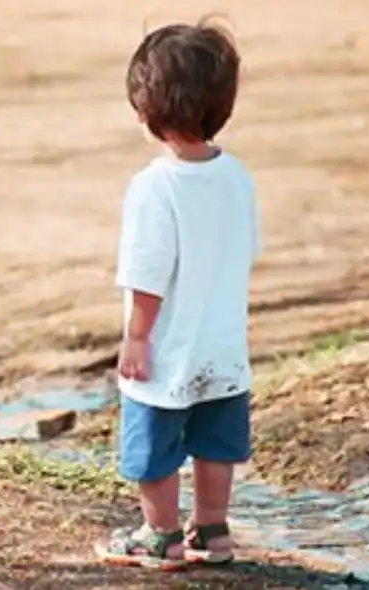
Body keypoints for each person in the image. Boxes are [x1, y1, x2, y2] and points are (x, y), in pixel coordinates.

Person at [94, 19, 261, 570]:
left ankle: (160, 533)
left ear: (147, 110)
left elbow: (147, 272)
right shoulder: (236, 176)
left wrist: (137, 337)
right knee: (216, 441)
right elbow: (242, 250)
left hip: (167, 348)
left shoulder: (154, 186)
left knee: (155, 441)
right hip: (223, 345)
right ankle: (213, 530)